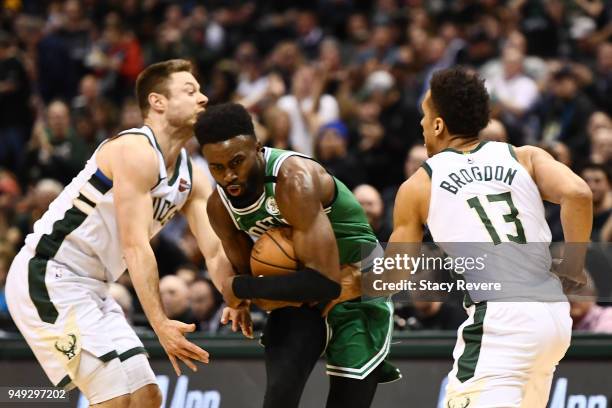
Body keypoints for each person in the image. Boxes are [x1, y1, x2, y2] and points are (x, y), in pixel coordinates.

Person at [5, 59, 250, 407]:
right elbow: (136, 246)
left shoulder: (191, 174)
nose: (204, 98)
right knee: (116, 398)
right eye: (190, 90)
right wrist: (160, 323)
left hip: (95, 288)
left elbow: (213, 251)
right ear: (157, 102)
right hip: (49, 276)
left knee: (147, 397)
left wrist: (234, 296)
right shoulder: (134, 150)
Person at [390, 68, 592, 407]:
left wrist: (345, 281)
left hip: (502, 319)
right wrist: (573, 267)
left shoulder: (419, 184)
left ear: (438, 125)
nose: (422, 125)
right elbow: (579, 194)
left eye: (425, 117)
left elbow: (395, 273)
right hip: (553, 316)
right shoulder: (524, 156)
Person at [194, 102, 400, 408]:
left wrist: (239, 289)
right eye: (217, 167)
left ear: (258, 148)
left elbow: (326, 283)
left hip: (355, 280)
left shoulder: (293, 179)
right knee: (278, 400)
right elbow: (250, 275)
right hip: (301, 288)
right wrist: (242, 298)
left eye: (237, 162)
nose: (229, 176)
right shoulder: (219, 207)